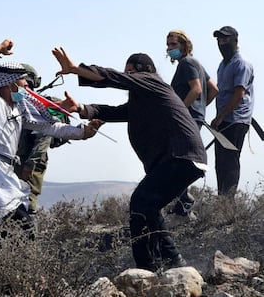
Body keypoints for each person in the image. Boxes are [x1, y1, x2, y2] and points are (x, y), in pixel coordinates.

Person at [52, 47, 207, 271]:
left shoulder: (153, 82)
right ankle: (168, 262)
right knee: (148, 207)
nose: (129, 79)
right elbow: (117, 112)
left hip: (180, 156)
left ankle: (152, 267)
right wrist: (82, 109)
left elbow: (115, 77)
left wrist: (77, 69)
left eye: (131, 73)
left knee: (141, 203)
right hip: (180, 159)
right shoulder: (145, 100)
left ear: (144, 72)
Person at [0, 39, 103, 241]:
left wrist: (82, 132)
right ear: (9, 83)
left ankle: (1, 268)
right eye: (23, 83)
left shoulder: (20, 110)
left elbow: (50, 127)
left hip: (5, 172)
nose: (27, 88)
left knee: (10, 226)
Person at [166, 30, 219, 217]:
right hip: (193, 119)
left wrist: (182, 111)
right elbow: (213, 89)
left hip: (185, 120)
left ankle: (184, 205)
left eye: (174, 44)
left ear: (184, 44)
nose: (170, 48)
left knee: (178, 160)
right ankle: (182, 205)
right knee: (183, 159)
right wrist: (200, 109)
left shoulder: (187, 63)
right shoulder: (196, 64)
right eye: (168, 45)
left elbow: (196, 89)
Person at [14, 64, 70, 214]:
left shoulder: (38, 106)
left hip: (30, 162)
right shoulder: (18, 104)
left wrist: (31, 164)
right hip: (15, 160)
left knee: (27, 204)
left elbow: (44, 138)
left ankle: (27, 235)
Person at [211, 26, 254, 196]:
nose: (222, 43)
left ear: (235, 40)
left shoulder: (241, 63)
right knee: (220, 162)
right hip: (223, 120)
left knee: (229, 161)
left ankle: (228, 203)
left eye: (225, 39)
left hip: (235, 120)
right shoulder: (223, 64)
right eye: (220, 40)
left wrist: (220, 117)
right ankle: (222, 199)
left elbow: (239, 94)